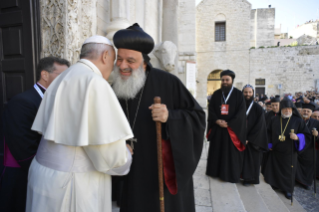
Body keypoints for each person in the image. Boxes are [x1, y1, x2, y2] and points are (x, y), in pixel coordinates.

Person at [25, 36, 134, 212]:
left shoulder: (62, 77)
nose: (114, 67)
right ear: (105, 56)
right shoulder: (95, 82)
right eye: (114, 60)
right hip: (72, 184)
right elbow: (107, 156)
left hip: (43, 174)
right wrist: (125, 156)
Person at [112, 23, 206, 212]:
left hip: (161, 172)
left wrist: (170, 117)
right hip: (131, 169)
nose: (123, 66)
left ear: (144, 63)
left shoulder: (168, 82)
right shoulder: (115, 86)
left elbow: (197, 117)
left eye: (130, 60)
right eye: (119, 59)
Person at [0, 57, 69, 212]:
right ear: (44, 75)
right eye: (62, 75)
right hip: (23, 176)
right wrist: (47, 173)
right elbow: (23, 147)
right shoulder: (22, 101)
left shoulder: (56, 100)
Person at [263, 98, 311, 199]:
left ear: (292, 109)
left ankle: (288, 189)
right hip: (275, 150)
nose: (287, 111)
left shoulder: (298, 121)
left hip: (289, 152)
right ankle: (275, 184)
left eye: (289, 109)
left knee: (288, 172)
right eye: (285, 109)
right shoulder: (274, 119)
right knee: (275, 169)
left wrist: (297, 137)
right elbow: (268, 133)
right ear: (281, 109)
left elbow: (306, 135)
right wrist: (269, 144)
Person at [206, 70, 246, 183]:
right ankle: (215, 172)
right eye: (223, 80)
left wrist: (229, 123)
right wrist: (217, 121)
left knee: (230, 154)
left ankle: (229, 175)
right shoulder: (216, 94)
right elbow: (211, 110)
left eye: (227, 80)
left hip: (231, 130)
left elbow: (241, 113)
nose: (224, 82)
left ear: (232, 80)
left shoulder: (238, 94)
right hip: (218, 128)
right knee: (217, 151)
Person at [241, 85, 268, 185]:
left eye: (249, 92)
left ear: (253, 93)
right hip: (239, 138)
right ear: (242, 93)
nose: (247, 94)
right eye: (245, 92)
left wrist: (249, 139)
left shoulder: (258, 108)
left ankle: (248, 179)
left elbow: (259, 126)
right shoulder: (238, 106)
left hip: (252, 140)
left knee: (250, 159)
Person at [295, 102, 319, 189]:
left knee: (309, 166)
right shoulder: (297, 120)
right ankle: (296, 180)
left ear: (311, 113)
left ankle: (306, 182)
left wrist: (317, 135)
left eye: (308, 111)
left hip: (309, 148)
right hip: (298, 147)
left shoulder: (316, 123)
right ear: (301, 112)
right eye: (304, 111)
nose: (305, 112)